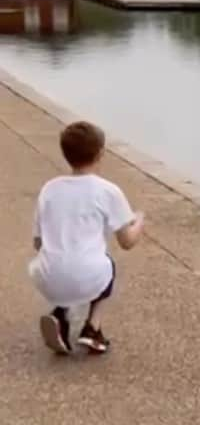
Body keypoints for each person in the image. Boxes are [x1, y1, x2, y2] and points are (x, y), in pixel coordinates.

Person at [29, 121, 144, 355]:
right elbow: (127, 242)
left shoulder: (49, 189)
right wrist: (139, 220)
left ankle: (60, 315)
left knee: (65, 257)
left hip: (46, 276)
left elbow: (38, 243)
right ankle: (93, 328)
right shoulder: (108, 190)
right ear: (101, 153)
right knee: (106, 265)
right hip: (87, 274)